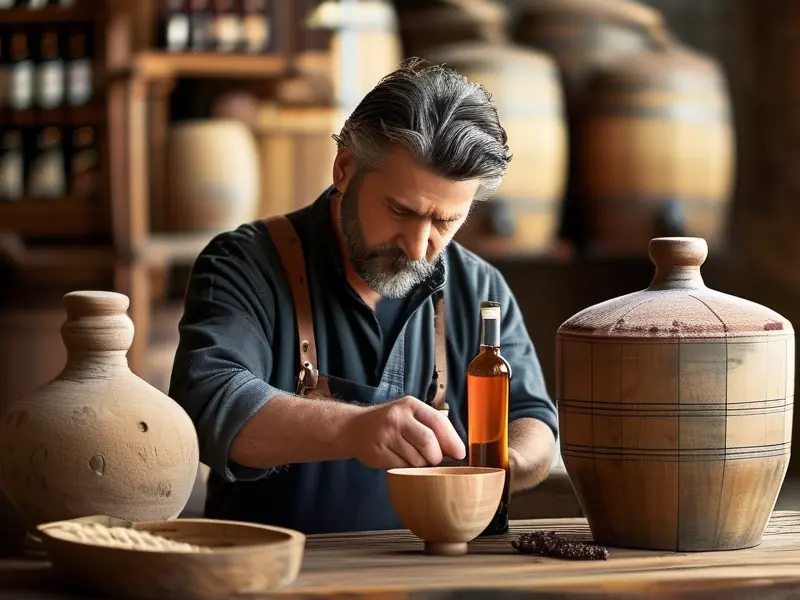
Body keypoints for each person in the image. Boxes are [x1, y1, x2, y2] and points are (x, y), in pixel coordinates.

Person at [169, 58, 558, 534]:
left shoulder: (480, 288)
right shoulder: (243, 263)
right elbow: (207, 407)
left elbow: (533, 418)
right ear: (344, 168)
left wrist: (503, 464)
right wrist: (356, 428)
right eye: (400, 209)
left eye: (444, 222)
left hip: (430, 579)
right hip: (274, 576)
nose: (418, 247)